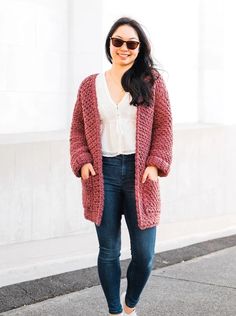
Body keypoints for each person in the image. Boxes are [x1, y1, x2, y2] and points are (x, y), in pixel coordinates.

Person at [70, 16, 173, 316]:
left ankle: (131, 305)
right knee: (108, 252)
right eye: (118, 42)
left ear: (140, 48)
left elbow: (164, 128)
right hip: (103, 174)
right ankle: (115, 312)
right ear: (110, 44)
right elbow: (77, 129)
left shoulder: (151, 81)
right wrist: (82, 161)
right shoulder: (90, 86)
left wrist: (155, 164)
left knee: (144, 255)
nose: (123, 48)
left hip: (141, 176)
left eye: (131, 43)